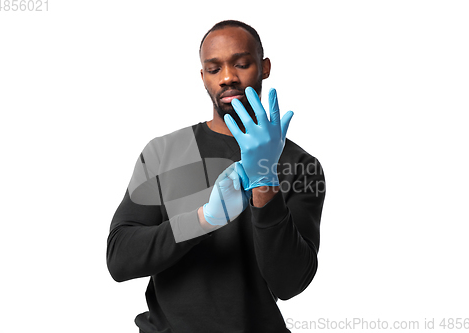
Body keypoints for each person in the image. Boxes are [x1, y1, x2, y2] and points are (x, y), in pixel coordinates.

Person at [107, 20, 326, 333]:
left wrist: (264, 182)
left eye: (241, 64)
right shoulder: (164, 152)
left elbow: (289, 283)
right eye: (214, 69)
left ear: (263, 68)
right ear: (203, 77)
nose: (227, 78)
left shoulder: (301, 165)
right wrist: (202, 220)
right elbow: (120, 258)